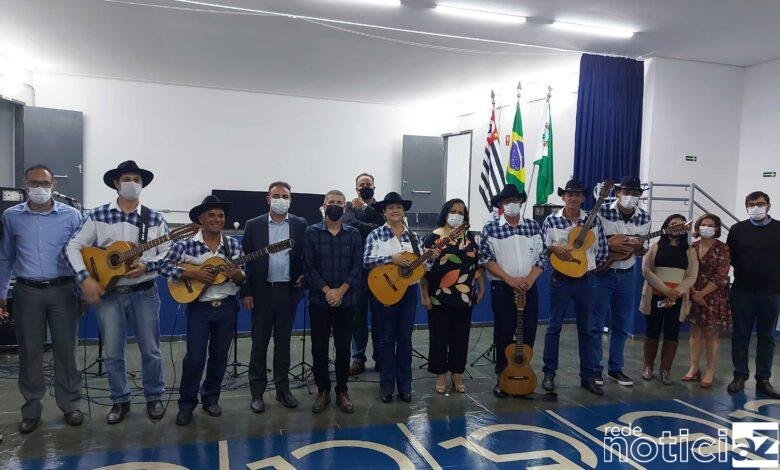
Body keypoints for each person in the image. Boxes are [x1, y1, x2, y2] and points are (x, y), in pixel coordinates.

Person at [65, 160, 168, 424]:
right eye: (126, 179)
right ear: (116, 183)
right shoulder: (98, 215)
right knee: (112, 352)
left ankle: (154, 397)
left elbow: (168, 254)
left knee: (151, 350)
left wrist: (147, 264)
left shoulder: (155, 219)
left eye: (136, 179)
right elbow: (73, 246)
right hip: (109, 293)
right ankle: (120, 400)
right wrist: (85, 277)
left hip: (144, 292)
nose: (131, 184)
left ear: (142, 184)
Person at [0, 165, 83, 434]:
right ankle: (32, 409)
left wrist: (85, 286)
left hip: (63, 290)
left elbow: (80, 253)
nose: (39, 188)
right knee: (30, 352)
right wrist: (1, 292)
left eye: (44, 183)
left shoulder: (72, 215)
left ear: (53, 185)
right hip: (27, 292)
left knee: (66, 351)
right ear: (25, 184)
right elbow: (6, 256)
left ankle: (70, 404)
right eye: (33, 183)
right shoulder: (11, 216)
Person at [160, 196, 245, 425]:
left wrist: (236, 275)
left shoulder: (233, 245)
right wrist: (193, 274)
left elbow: (241, 276)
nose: (217, 219)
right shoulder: (186, 244)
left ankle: (211, 399)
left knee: (219, 358)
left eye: (221, 215)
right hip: (199, 308)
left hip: (227, 307)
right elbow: (164, 266)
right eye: (212, 215)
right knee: (194, 358)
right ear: (200, 219)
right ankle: (186, 404)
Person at [363, 192, 438, 403]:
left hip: (408, 294)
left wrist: (431, 258)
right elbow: (367, 261)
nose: (395, 210)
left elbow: (422, 268)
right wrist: (392, 258)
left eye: (398, 207)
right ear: (384, 212)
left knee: (405, 340)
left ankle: (405, 386)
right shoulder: (376, 235)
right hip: (384, 292)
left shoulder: (414, 238)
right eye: (390, 208)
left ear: (403, 211)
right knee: (386, 340)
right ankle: (386, 387)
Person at [242, 181, 307, 412]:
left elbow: (303, 256)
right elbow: (246, 261)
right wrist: (246, 291)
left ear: (290, 199)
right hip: (261, 293)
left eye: (285, 196)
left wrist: (303, 277)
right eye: (276, 195)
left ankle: (283, 390)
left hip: (287, 294)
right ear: (268, 199)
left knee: (283, 344)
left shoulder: (300, 224)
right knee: (259, 344)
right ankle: (257, 393)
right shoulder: (254, 225)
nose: (281, 199)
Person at [541, 179, 609, 395]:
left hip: (586, 280)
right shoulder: (551, 220)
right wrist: (554, 249)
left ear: (583, 198)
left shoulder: (594, 220)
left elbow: (602, 250)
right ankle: (549, 374)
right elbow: (542, 248)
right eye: (569, 194)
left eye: (577, 194)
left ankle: (588, 376)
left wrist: (583, 263)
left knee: (587, 330)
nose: (573, 198)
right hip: (560, 279)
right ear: (563, 197)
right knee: (553, 328)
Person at [478, 186, 544, 398]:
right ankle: (503, 376)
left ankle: (523, 373)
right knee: (504, 334)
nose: (511, 204)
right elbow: (486, 259)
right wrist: (510, 280)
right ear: (500, 205)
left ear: (521, 202)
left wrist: (528, 280)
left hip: (529, 288)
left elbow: (542, 258)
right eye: (507, 201)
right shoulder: (491, 228)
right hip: (502, 288)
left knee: (528, 333)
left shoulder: (533, 226)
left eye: (515, 200)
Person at [302, 190, 363, 413]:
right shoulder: (311, 232)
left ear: (345, 207)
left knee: (344, 348)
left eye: (339, 203)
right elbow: (308, 266)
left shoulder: (354, 234)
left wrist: (341, 291)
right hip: (320, 300)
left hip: (347, 301)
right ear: (324, 205)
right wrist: (329, 291)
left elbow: (357, 266)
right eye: (331, 202)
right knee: (319, 348)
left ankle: (342, 391)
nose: (335, 206)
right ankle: (323, 391)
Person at [593, 175, 651, 387]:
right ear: (617, 193)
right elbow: (591, 242)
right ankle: (595, 370)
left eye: (635, 193)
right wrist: (610, 243)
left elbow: (643, 248)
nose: (630, 196)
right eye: (626, 192)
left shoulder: (644, 218)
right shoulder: (601, 212)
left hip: (627, 274)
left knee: (622, 324)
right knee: (596, 323)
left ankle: (616, 368)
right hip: (602, 273)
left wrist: (639, 247)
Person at [422, 198, 483, 394]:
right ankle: (440, 374)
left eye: (461, 212)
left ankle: (457, 372)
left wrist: (481, 288)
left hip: (465, 296)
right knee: (439, 336)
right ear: (445, 212)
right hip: (438, 296)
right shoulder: (433, 237)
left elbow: (477, 265)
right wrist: (424, 295)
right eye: (453, 211)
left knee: (461, 337)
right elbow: (423, 270)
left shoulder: (470, 237)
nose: (457, 215)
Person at [727, 191, 780, 398]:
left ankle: (763, 379)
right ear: (746, 206)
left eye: (760, 204)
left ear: (768, 205)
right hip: (742, 291)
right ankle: (739, 375)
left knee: (767, 336)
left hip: (772, 292)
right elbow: (729, 257)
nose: (755, 207)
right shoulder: (737, 229)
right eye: (751, 204)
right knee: (740, 335)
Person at [639, 214, 698, 385]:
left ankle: (665, 369)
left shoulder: (690, 251)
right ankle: (648, 366)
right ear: (666, 226)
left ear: (685, 228)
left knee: (672, 334)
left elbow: (692, 276)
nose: (676, 227)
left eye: (680, 225)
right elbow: (646, 270)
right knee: (652, 331)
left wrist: (676, 291)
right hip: (655, 296)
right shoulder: (654, 246)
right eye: (672, 224)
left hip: (677, 300)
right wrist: (666, 290)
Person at [342, 172, 385, 375]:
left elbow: (385, 226)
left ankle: (380, 357)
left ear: (374, 186)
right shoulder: (349, 207)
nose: (365, 186)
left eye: (368, 183)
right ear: (356, 188)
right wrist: (373, 227)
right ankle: (358, 357)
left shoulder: (382, 207)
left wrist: (367, 210)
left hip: (381, 272)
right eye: (361, 184)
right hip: (357, 273)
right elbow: (351, 226)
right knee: (357, 318)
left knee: (379, 318)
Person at [683, 214, 730, 389]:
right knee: (695, 332)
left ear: (717, 228)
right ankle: (694, 367)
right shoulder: (691, 247)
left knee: (711, 334)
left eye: (711, 225)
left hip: (714, 295)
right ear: (698, 226)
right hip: (693, 292)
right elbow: (686, 271)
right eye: (703, 224)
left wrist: (702, 293)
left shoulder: (722, 248)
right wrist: (694, 292)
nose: (707, 227)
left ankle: (710, 370)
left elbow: (721, 274)